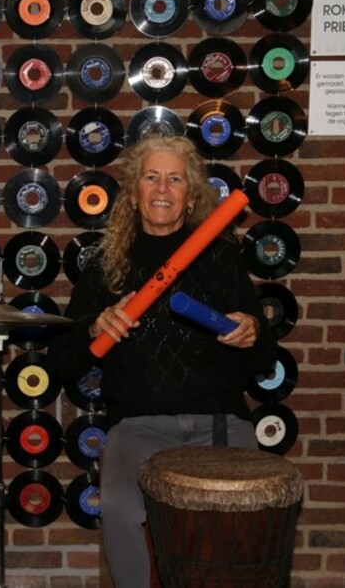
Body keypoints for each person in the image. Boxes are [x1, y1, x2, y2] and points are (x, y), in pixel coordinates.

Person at [47, 136, 277, 587]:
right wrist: (95, 327)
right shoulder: (105, 264)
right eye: (151, 177)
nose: (162, 189)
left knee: (246, 515)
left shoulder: (220, 256)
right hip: (137, 426)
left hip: (219, 424)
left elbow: (263, 360)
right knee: (118, 507)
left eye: (175, 179)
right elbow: (61, 363)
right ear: (133, 193)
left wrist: (252, 331)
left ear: (191, 197)